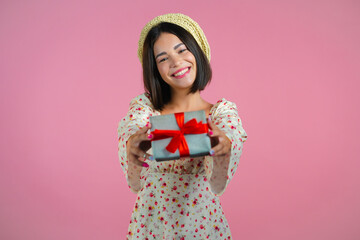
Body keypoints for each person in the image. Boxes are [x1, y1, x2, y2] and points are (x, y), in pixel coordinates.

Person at [117, 13, 248, 239]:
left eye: (181, 50)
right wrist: (135, 146)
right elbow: (134, 169)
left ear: (197, 51)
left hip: (203, 228)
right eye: (162, 58)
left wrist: (222, 147)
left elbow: (218, 180)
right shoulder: (143, 107)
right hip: (151, 228)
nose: (176, 62)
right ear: (154, 68)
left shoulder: (223, 112)